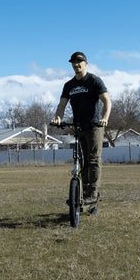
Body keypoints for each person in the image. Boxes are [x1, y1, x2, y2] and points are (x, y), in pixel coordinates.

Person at [52, 51, 111, 205]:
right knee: (82, 160)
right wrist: (58, 117)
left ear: (85, 63)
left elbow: (107, 101)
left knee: (94, 159)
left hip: (94, 126)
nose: (76, 65)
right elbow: (62, 105)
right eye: (74, 63)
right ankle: (83, 194)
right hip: (79, 126)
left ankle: (92, 193)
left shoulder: (94, 81)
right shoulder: (69, 85)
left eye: (79, 62)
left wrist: (104, 118)